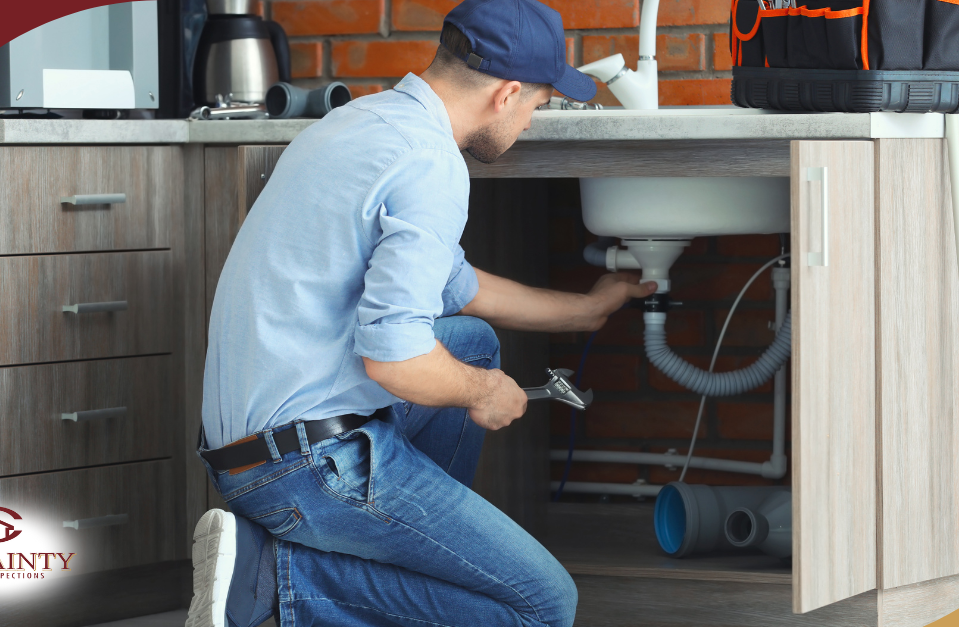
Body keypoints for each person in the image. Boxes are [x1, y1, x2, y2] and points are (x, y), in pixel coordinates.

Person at [186, 0, 656, 625]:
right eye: (537, 106)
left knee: (469, 340)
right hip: (303, 469)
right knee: (545, 605)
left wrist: (587, 311)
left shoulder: (362, 121)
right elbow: (395, 357)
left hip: (248, 448)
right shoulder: (432, 164)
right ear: (507, 94)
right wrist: (484, 392)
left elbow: (456, 288)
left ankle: (404, 554)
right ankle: (274, 574)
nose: (532, 124)